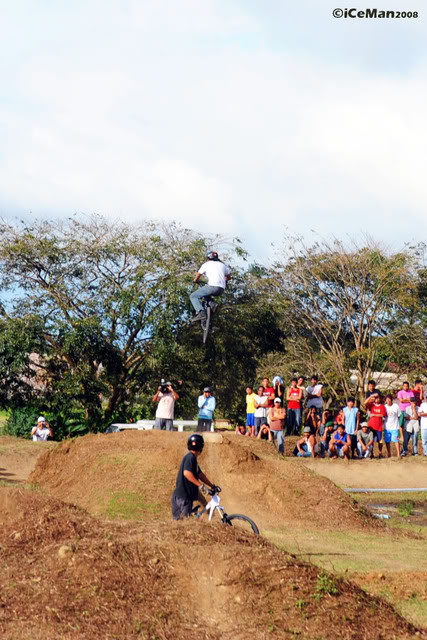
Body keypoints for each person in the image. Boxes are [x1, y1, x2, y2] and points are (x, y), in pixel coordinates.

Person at [171, 434, 218, 520]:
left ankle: (210, 517)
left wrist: (212, 485)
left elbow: (200, 474)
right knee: (183, 525)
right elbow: (187, 473)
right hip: (183, 498)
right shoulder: (190, 458)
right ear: (201, 447)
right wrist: (201, 485)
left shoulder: (192, 459)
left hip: (185, 496)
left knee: (203, 504)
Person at [190, 251, 231, 321]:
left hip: (212, 287)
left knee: (193, 296)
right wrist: (224, 281)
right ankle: (212, 304)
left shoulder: (206, 264)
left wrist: (195, 281)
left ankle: (201, 313)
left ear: (208, 258)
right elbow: (229, 277)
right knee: (205, 292)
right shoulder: (223, 265)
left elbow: (198, 274)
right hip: (221, 289)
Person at [367, 393, 386, 458]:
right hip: (371, 426)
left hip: (379, 426)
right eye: (375, 398)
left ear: (380, 399)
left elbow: (382, 415)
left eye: (378, 398)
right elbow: (365, 403)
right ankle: (371, 453)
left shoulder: (382, 406)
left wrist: (374, 414)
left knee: (380, 441)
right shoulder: (372, 405)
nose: (376, 399)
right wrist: (371, 396)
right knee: (371, 440)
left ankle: (380, 453)